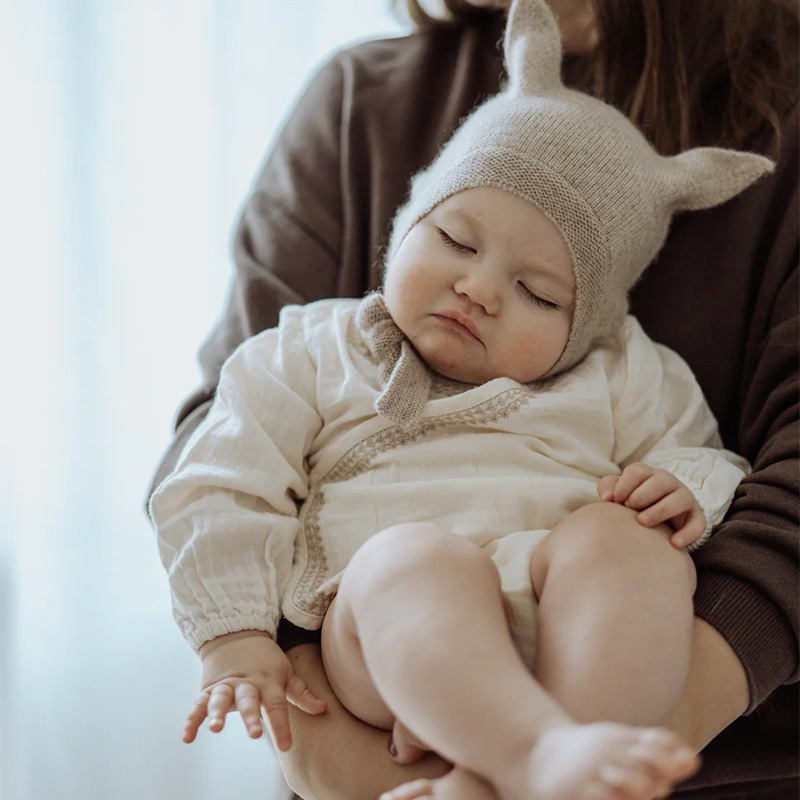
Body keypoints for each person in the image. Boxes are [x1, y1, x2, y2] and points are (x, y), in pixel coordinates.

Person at [147, 0, 799, 798]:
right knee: (409, 559)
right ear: (405, 225)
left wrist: (684, 492)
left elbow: (707, 458)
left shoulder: (620, 369)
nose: (478, 290)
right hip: (392, 646)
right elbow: (220, 470)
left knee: (630, 545)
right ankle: (530, 765)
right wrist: (235, 637)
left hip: (588, 639)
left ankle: (570, 754)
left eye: (537, 292)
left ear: (588, 323)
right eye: (454, 241)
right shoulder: (316, 348)